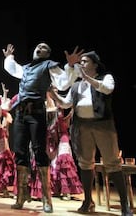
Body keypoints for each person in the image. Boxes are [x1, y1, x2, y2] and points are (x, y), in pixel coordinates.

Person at [2, 43, 83, 213]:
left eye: (44, 47)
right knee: (20, 152)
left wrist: (70, 65)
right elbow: (13, 68)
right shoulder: (26, 68)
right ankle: (22, 195)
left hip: (36, 113)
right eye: (38, 46)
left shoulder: (49, 66)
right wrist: (9, 57)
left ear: (48, 54)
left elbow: (62, 84)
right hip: (21, 114)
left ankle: (47, 198)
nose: (39, 48)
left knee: (39, 151)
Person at [49, 51, 133, 215]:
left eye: (85, 61)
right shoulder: (76, 85)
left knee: (112, 163)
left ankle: (125, 205)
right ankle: (88, 201)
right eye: (79, 62)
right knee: (85, 163)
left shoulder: (105, 77)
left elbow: (108, 89)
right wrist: (53, 93)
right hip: (82, 126)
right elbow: (66, 104)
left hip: (103, 125)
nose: (81, 64)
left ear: (95, 64)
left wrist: (88, 79)